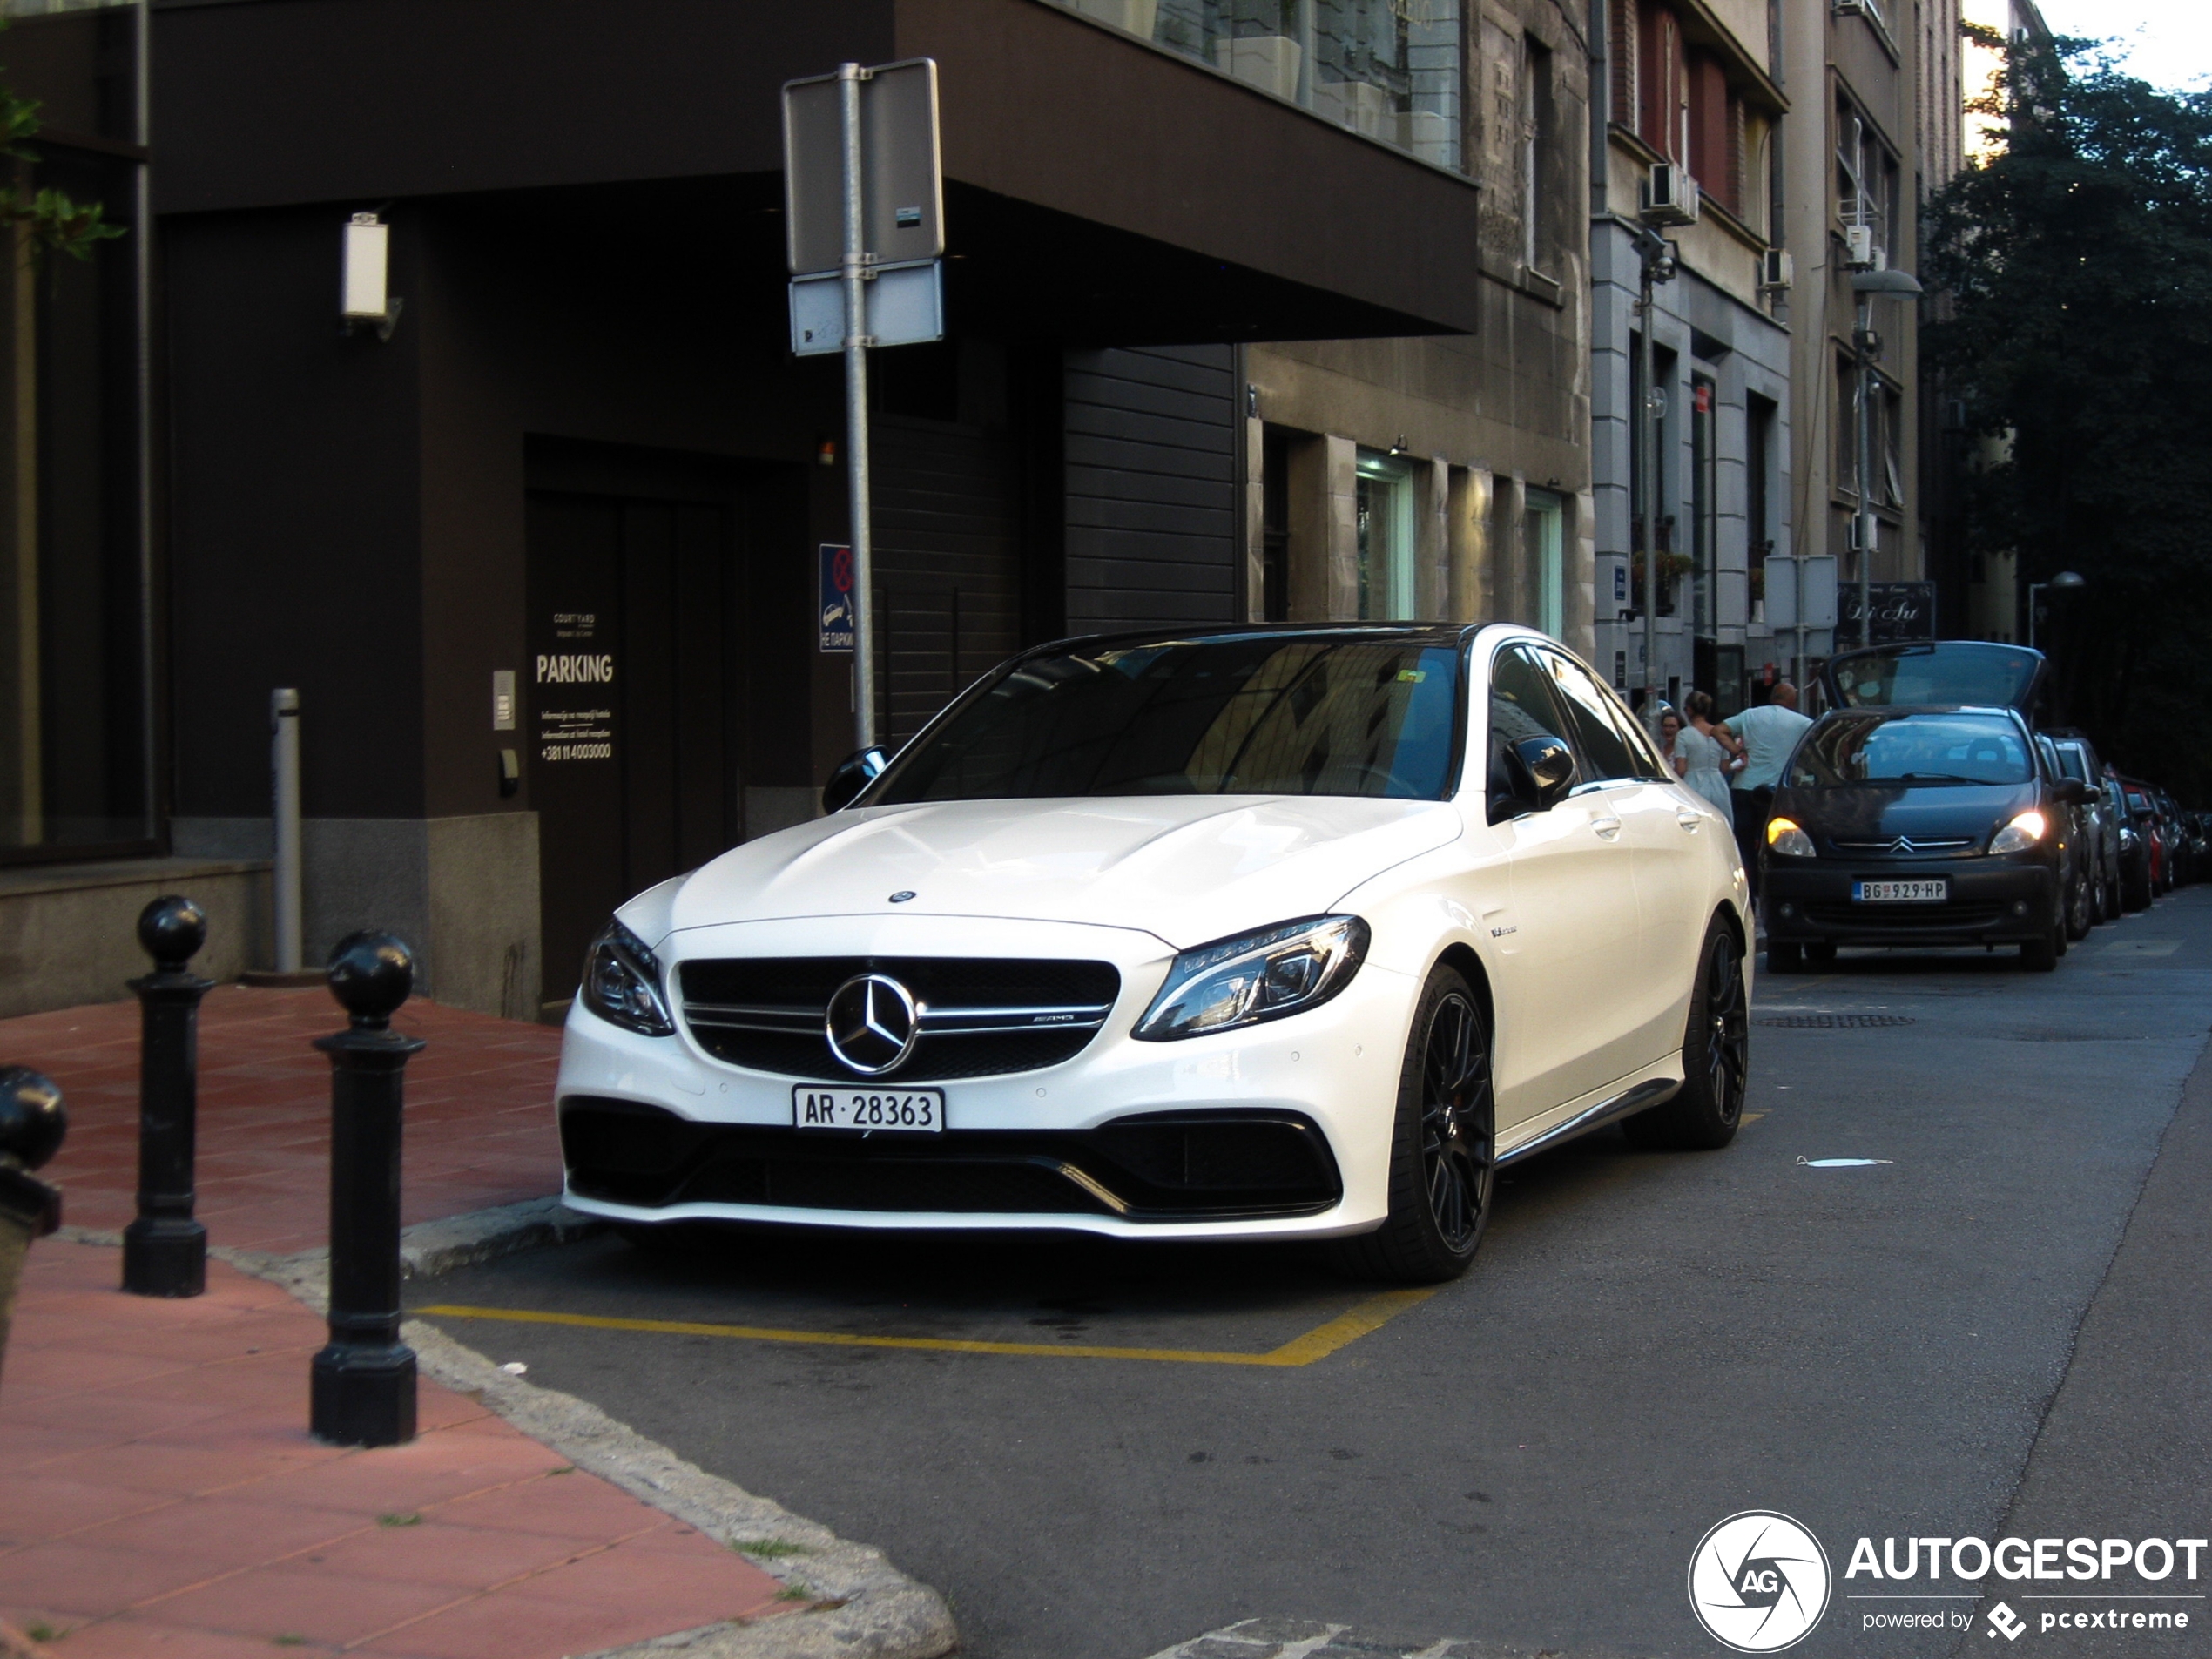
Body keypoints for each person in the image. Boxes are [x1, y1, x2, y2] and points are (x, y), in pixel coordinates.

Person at [1720, 681, 1813, 898]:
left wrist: (1737, 751)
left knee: (1744, 842)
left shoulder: (1750, 715)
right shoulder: (1802, 722)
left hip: (1744, 787)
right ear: (1792, 700)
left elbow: (1719, 730)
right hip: (1776, 791)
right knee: (1776, 842)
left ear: (1773, 697)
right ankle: (1771, 888)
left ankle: (1748, 890)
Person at [1674, 691, 1738, 819]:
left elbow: (1681, 770)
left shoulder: (1683, 735)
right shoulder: (1719, 733)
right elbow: (1725, 767)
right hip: (1718, 785)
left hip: (1693, 785)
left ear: (1689, 710)